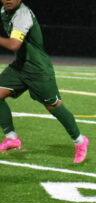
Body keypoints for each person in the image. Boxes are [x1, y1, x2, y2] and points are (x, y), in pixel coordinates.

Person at [0, 0, 89, 163]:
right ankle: (12, 138)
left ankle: (80, 141)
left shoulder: (22, 15)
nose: (8, 0)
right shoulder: (4, 11)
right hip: (19, 67)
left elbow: (14, 45)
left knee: (54, 107)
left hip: (38, 70)